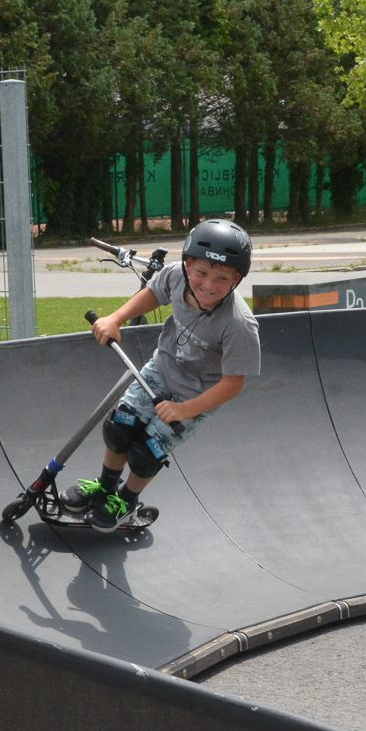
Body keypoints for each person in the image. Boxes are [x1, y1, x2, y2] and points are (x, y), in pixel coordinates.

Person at [62, 218, 261, 528]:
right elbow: (153, 293)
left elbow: (233, 384)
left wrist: (184, 409)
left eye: (222, 279)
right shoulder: (175, 277)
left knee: (147, 450)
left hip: (196, 395)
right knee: (120, 426)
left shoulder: (239, 325)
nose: (209, 286)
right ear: (186, 265)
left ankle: (126, 502)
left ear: (237, 280)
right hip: (161, 368)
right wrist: (116, 318)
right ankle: (105, 488)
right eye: (202, 274)